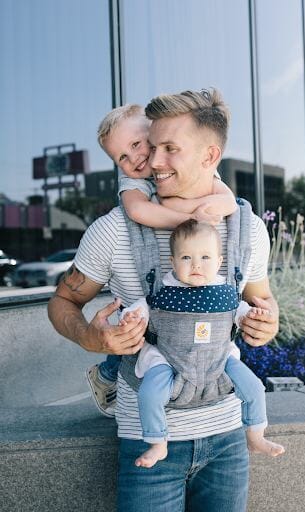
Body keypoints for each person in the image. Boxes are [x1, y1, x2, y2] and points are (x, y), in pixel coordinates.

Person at [48, 88, 279, 512]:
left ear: (210, 156)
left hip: (229, 438)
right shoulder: (114, 230)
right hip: (148, 443)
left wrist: (268, 320)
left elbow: (261, 296)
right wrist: (91, 337)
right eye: (150, 147)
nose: (151, 162)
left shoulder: (248, 228)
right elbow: (62, 301)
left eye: (168, 149)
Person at [85, 102, 237, 416]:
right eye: (122, 157)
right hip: (148, 317)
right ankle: (106, 376)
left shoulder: (187, 167)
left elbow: (227, 201)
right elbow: (139, 211)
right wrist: (189, 218)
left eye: (139, 144)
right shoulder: (134, 184)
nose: (138, 158)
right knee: (138, 328)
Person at [116, 219, 284, 468]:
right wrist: (128, 316)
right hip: (168, 359)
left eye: (205, 257)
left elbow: (243, 313)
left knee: (255, 388)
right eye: (186, 258)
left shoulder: (226, 292)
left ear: (219, 261)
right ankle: (158, 443)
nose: (196, 264)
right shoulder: (162, 292)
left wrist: (255, 316)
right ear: (172, 262)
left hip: (219, 358)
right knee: (150, 394)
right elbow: (139, 309)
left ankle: (256, 435)